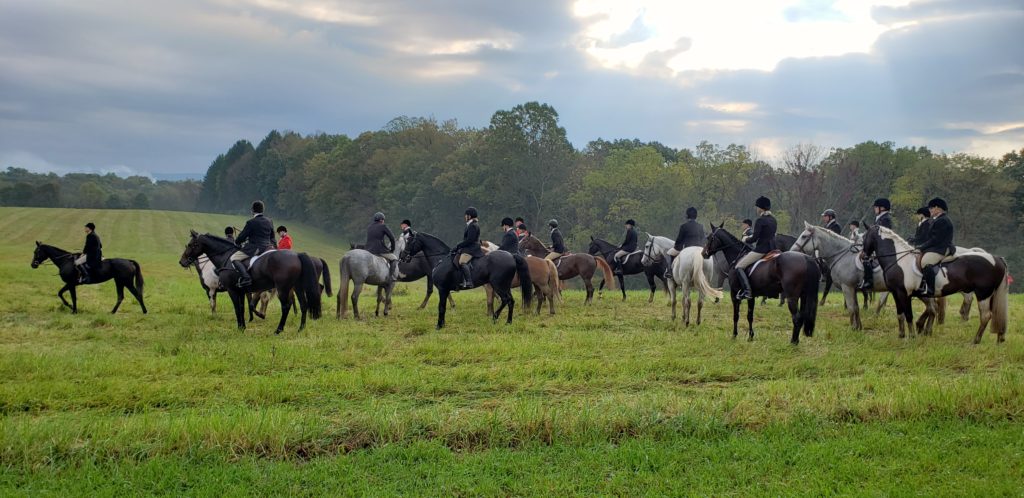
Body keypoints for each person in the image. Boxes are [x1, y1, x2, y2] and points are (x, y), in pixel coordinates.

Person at [734, 196, 777, 300]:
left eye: (757, 207)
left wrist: (745, 239)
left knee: (739, 266)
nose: (756, 209)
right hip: (773, 249)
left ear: (760, 208)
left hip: (761, 250)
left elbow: (754, 238)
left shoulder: (760, 220)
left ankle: (747, 291)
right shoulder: (773, 220)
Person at [229, 200, 276, 287]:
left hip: (255, 248)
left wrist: (236, 242)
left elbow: (242, 237)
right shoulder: (269, 221)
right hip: (268, 247)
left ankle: (246, 278)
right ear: (263, 210)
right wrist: (274, 247)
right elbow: (272, 237)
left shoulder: (251, 222)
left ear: (252, 211)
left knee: (234, 258)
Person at [916, 198, 954, 296]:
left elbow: (935, 239)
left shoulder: (943, 221)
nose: (930, 211)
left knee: (926, 262)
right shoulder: (936, 220)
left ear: (937, 208)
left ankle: (930, 289)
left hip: (942, 248)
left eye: (931, 208)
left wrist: (921, 247)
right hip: (936, 247)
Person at [860, 198, 893, 290]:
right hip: (877, 246)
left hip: (883, 247)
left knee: (866, 260)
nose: (874, 209)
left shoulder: (885, 219)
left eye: (876, 207)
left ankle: (869, 281)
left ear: (882, 208)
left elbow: (883, 234)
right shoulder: (879, 218)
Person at [665, 207, 705, 279]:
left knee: (669, 253)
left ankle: (669, 272)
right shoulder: (700, 226)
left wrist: (677, 247)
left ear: (687, 216)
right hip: (700, 249)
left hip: (687, 247)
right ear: (696, 216)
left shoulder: (683, 226)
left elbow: (679, 240)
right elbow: (703, 239)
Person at [453, 207, 484, 289]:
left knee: (462, 262)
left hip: (472, 249)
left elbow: (470, 240)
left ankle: (469, 282)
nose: (465, 217)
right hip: (470, 247)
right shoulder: (471, 225)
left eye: (466, 215)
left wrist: (459, 245)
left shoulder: (472, 225)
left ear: (469, 216)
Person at [365, 212, 398, 283]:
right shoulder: (383, 226)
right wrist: (392, 249)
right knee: (394, 259)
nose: (383, 221)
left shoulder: (369, 227)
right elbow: (392, 238)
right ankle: (391, 276)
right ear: (381, 220)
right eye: (383, 220)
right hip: (379, 250)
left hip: (368, 250)